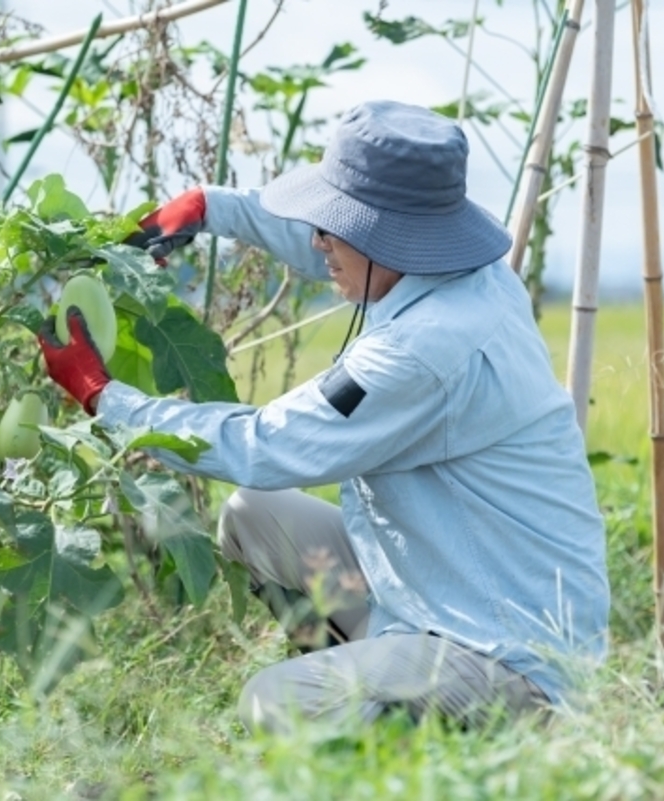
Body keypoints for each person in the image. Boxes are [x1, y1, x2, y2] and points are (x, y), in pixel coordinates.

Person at [38, 100, 609, 735]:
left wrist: (102, 396)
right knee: (253, 517)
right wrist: (210, 207)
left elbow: (262, 447)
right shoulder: (465, 273)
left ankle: (418, 746)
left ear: (389, 237)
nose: (317, 241)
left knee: (274, 703)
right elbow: (332, 255)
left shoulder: (421, 351)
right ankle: (371, 692)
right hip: (440, 596)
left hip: (509, 662)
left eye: (335, 226)